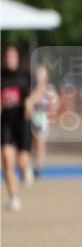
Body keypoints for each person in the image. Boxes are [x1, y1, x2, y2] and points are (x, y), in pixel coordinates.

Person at [1, 45, 37, 210]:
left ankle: (25, 167)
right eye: (7, 56)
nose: (9, 59)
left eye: (12, 56)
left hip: (22, 122)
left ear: (17, 58)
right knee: (7, 160)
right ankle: (14, 198)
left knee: (20, 161)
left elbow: (40, 88)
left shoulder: (26, 74)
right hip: (5, 122)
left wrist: (31, 100)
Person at [29, 64, 58, 177]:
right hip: (32, 117)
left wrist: (53, 107)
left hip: (43, 119)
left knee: (41, 143)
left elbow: (55, 102)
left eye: (42, 75)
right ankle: (29, 165)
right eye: (38, 75)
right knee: (32, 144)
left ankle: (38, 168)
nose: (40, 77)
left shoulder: (50, 88)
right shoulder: (32, 88)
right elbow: (29, 102)